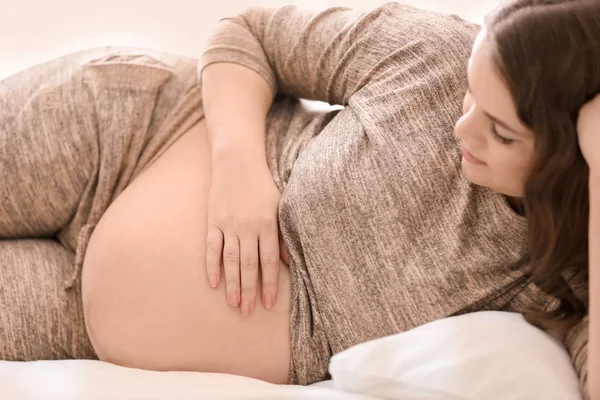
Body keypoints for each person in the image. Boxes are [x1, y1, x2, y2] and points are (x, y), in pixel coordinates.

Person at [0, 0, 597, 398]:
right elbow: (248, 33)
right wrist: (239, 173)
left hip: (73, 315)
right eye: (471, 94)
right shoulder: (432, 54)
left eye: (502, 132)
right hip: (130, 134)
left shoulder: (568, 264)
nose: (462, 130)